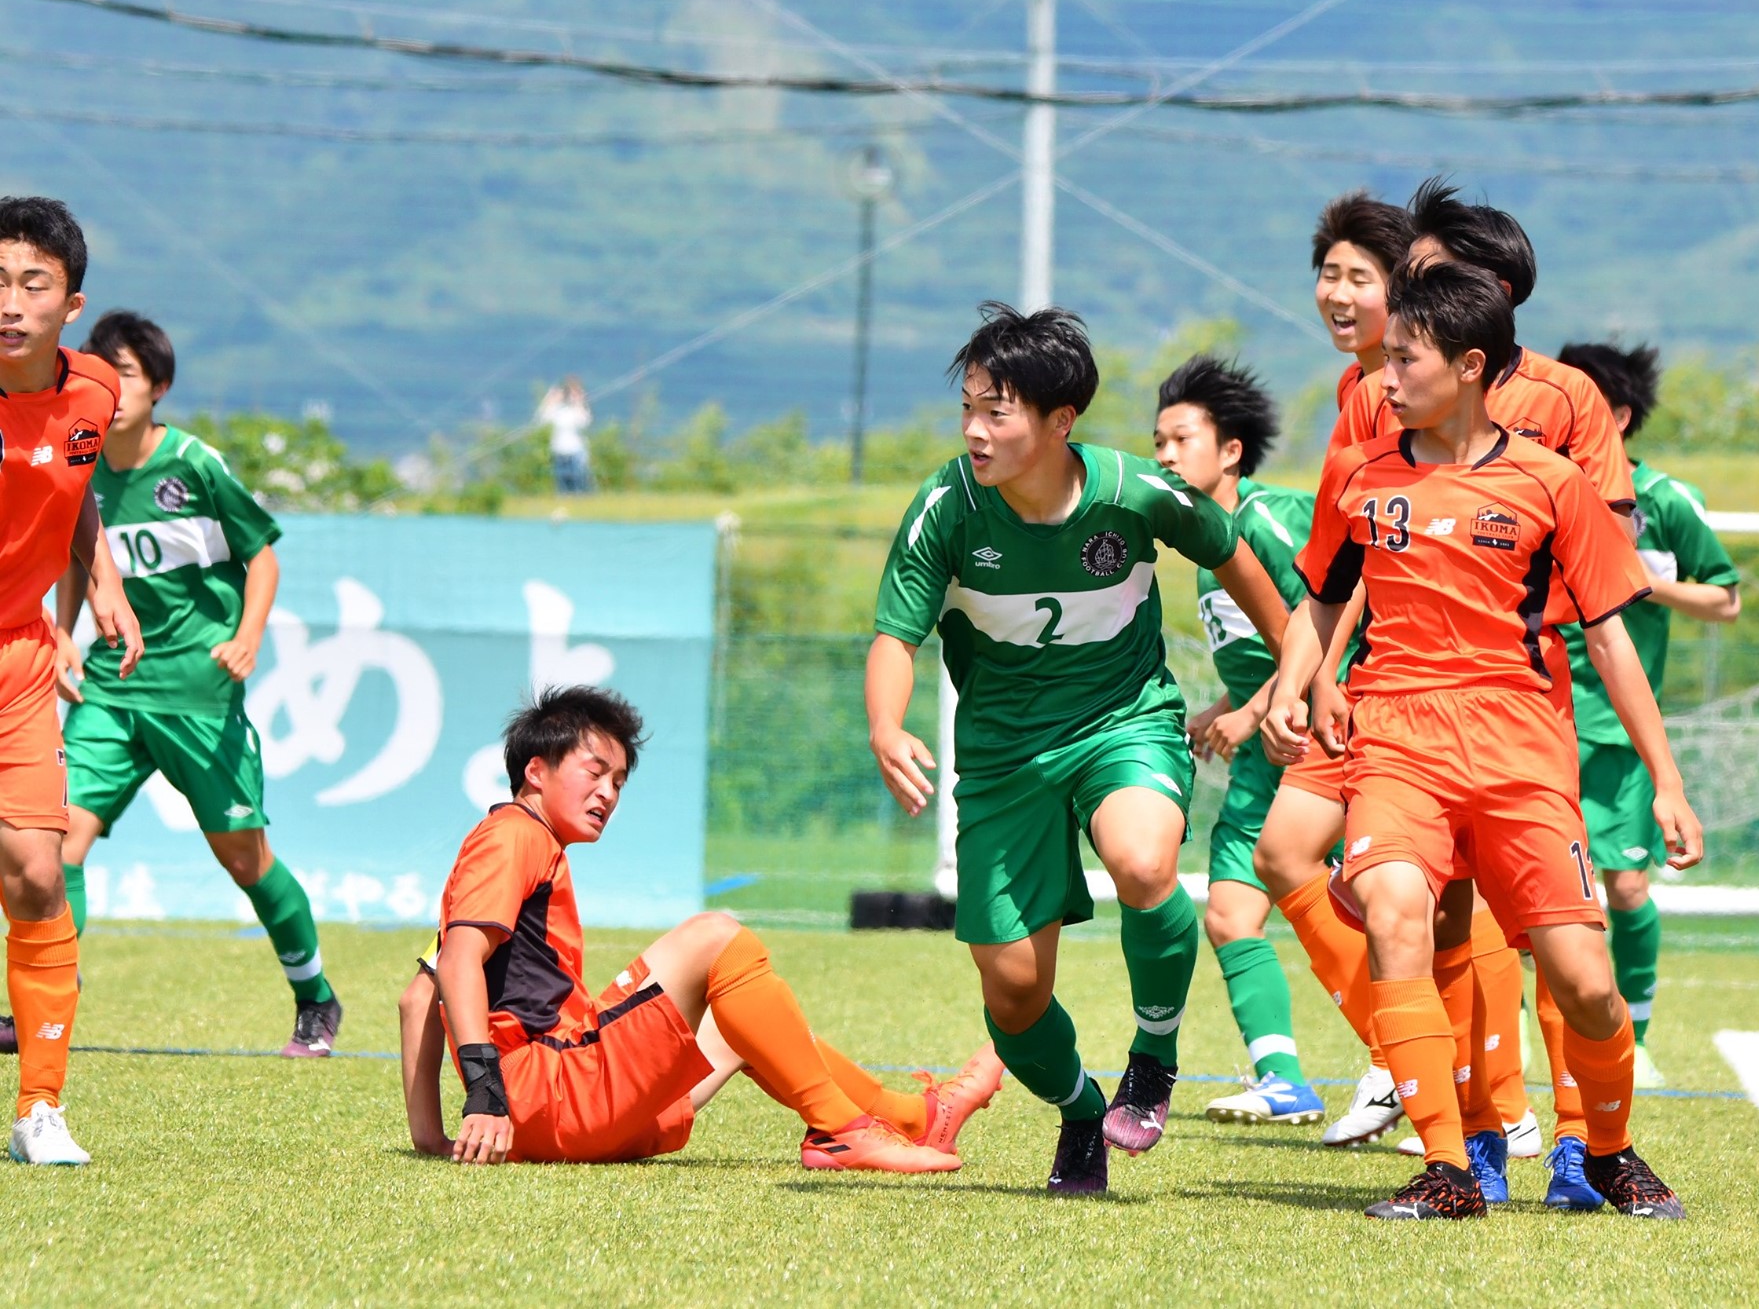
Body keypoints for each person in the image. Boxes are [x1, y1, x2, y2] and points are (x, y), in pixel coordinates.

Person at [1272, 261, 1700, 1219]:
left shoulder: (1552, 483)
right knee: (1393, 913)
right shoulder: (1358, 473)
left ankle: (1613, 1151)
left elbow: (1611, 637)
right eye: (1384, 360)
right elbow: (1324, 595)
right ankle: (1448, 1168)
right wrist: (1296, 687)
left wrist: (1667, 781)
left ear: (1469, 366)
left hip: (1520, 750)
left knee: (1588, 983)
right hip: (1397, 739)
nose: (1385, 380)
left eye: (1405, 359)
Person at [866, 302, 1291, 1195]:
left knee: (1144, 863)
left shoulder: (1135, 491)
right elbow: (894, 635)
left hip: (1121, 722)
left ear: (1061, 422)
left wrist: (1300, 670)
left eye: (998, 411)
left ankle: (1155, 1052)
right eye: (970, 410)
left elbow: (1238, 561)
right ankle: (1081, 1108)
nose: (976, 431)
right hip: (1001, 758)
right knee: (1014, 995)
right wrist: (885, 724)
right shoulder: (949, 503)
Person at [399, 685, 1002, 1168]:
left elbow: (418, 996)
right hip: (551, 1095)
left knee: (740, 1019)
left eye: (618, 783)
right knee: (715, 935)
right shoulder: (512, 836)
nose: (607, 794)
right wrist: (485, 1096)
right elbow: (456, 964)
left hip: (555, 1115)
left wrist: (430, 1136)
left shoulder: (508, 844)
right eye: (595, 772)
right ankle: (839, 1131)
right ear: (536, 770)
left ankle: (917, 1117)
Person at [38, 311, 344, 1058]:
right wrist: (69, 638)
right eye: (101, 374)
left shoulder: (193, 465)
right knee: (57, 845)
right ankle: (47, 1004)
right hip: (112, 687)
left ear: (160, 388)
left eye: (129, 376)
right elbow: (79, 560)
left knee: (245, 858)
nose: (113, 389)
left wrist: (245, 637)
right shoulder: (79, 465)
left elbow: (262, 553)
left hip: (198, 692)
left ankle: (316, 997)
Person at [1249, 190, 1416, 1152]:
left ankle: (1508, 1107)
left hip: (1432, 681)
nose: (1337, 293)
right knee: (1284, 855)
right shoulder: (1359, 393)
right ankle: (1400, 1055)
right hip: (1361, 670)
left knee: (1434, 893)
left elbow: (1380, 550)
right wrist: (1298, 681)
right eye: (1329, 274)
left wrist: (1316, 679)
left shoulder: (1413, 390)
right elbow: (1341, 558)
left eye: (1361, 276)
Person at [1547, 341, 1739, 1170]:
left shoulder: (1665, 502)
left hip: (1620, 735)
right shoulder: (1534, 484)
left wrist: (1629, 580)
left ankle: (1638, 1037)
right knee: (1546, 910)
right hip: (1539, 721)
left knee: (1623, 886)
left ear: (1615, 417)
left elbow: (1725, 598)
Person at [1151, 355, 1332, 1126]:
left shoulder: (1269, 519)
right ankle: (1283, 1078)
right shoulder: (1203, 542)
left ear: (1229, 450)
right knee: (1228, 912)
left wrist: (1252, 713)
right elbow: (1266, 646)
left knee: (1378, 911)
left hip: (1322, 737)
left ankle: (1417, 1069)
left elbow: (1319, 633)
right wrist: (1223, 706)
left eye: (1179, 438)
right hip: (1266, 747)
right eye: (1156, 441)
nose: (1163, 455)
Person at [0, 195, 143, 1164]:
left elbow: (76, 488)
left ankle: (39, 1109)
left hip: (18, 659)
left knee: (38, 872)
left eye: (30, 284)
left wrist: (104, 583)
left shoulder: (91, 393)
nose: (7, 301)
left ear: (72, 304)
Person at [538, 376, 592, 493]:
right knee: (562, 486)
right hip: (559, 451)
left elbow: (584, 423)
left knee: (579, 484)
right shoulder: (557, 410)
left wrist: (579, 402)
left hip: (576, 451)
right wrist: (549, 401)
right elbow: (542, 421)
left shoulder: (578, 410)